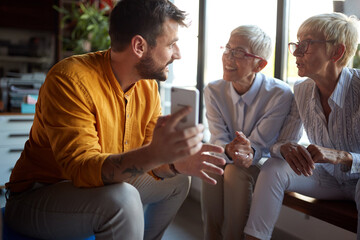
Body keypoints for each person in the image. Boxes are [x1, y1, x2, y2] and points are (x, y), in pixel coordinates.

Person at [4, 0, 226, 239]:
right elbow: (80, 169)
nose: (178, 54)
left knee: (178, 181)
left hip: (102, 189)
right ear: (139, 46)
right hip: (38, 196)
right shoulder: (70, 79)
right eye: (172, 44)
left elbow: (146, 160)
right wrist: (155, 153)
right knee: (124, 199)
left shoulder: (148, 87)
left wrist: (173, 163)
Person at [244, 13, 360, 240]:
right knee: (272, 168)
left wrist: (343, 156)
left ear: (337, 52)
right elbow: (282, 142)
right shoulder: (302, 89)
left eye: (305, 45)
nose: (296, 52)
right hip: (328, 179)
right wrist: (286, 148)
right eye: (296, 44)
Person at [201, 25, 293, 240]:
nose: (228, 57)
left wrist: (245, 151)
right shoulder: (213, 90)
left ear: (260, 65)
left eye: (239, 53)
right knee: (212, 164)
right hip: (227, 157)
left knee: (236, 172)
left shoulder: (279, 94)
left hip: (262, 166)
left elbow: (259, 146)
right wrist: (228, 149)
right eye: (228, 49)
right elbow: (218, 137)